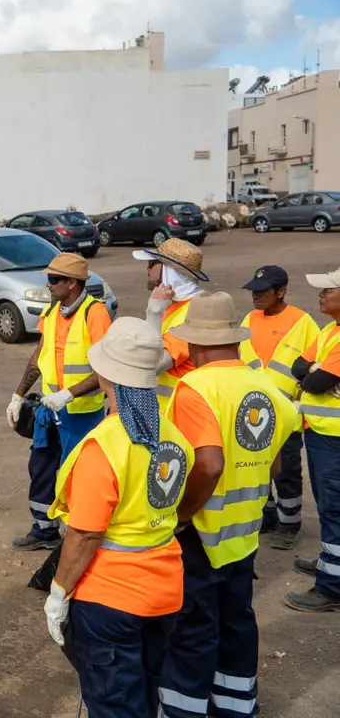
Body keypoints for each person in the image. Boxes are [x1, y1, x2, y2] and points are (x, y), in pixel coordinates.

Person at [43, 317, 194, 718]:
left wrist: (59, 592)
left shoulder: (105, 444)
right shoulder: (173, 435)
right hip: (164, 592)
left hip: (110, 600)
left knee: (114, 705)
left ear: (104, 372)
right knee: (145, 693)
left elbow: (86, 534)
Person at [158, 293, 297, 718]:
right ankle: (238, 706)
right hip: (245, 529)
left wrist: (182, 514)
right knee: (237, 620)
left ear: (196, 345)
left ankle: (185, 710)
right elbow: (273, 464)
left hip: (202, 532)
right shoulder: (268, 389)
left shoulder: (195, 388)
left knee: (194, 627)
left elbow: (210, 464)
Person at [7, 253, 112, 551]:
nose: (48, 284)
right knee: (40, 468)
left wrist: (69, 394)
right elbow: (38, 356)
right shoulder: (52, 312)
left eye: (53, 279)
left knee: (78, 478)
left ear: (72, 283)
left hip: (81, 414)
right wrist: (18, 395)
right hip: (48, 412)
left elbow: (105, 368)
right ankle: (44, 531)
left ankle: (79, 539)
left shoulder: (95, 314)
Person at [239, 265, 320, 549]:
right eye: (253, 291)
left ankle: (289, 522)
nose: (255, 296)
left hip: (286, 414)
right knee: (258, 468)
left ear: (281, 291)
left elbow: (313, 364)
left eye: (262, 292)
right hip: (253, 413)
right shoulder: (250, 318)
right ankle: (267, 514)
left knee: (286, 469)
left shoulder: (302, 321)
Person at [285, 267, 340, 612]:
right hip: (321, 434)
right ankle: (329, 563)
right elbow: (298, 366)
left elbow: (317, 382)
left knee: (335, 509)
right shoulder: (331, 331)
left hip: (334, 439)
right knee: (327, 506)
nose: (320, 295)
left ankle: (331, 587)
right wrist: (315, 370)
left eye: (327, 290)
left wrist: (314, 372)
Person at [132, 238, 209, 413]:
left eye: (152, 263)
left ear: (169, 271)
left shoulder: (193, 312)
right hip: (166, 412)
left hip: (180, 415)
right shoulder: (174, 305)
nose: (148, 268)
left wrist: (154, 312)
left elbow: (153, 365)